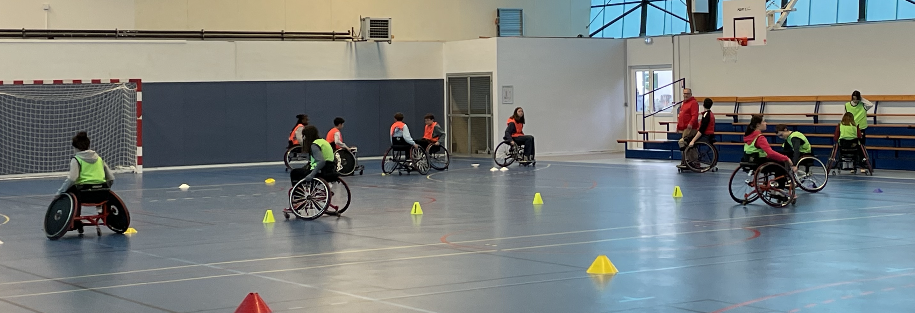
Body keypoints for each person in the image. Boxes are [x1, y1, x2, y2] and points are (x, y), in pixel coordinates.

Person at [57, 132, 116, 220]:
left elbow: (72, 178)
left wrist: (59, 193)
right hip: (101, 195)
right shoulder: (99, 159)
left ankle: (75, 220)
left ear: (76, 148)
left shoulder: (76, 159)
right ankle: (100, 209)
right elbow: (111, 178)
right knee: (101, 186)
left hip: (84, 195)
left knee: (69, 190)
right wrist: (105, 188)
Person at [744, 114, 794, 199]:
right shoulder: (760, 137)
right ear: (758, 125)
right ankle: (779, 189)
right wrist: (786, 158)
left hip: (749, 160)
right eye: (763, 121)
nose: (765, 123)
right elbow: (770, 153)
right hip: (760, 163)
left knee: (778, 156)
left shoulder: (748, 135)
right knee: (781, 163)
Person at [682, 98, 716, 168]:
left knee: (687, 141)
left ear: (703, 105)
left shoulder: (706, 115)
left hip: (705, 136)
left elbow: (701, 130)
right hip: (709, 134)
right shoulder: (710, 114)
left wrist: (693, 141)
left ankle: (692, 161)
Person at [677, 88, 700, 167]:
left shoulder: (693, 103)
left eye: (687, 93)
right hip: (684, 128)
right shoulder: (684, 103)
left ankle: (688, 161)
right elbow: (681, 115)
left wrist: (690, 123)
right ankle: (687, 161)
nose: (685, 95)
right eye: (684, 93)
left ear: (690, 94)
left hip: (690, 128)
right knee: (686, 145)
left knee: (682, 142)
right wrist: (678, 126)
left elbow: (695, 115)